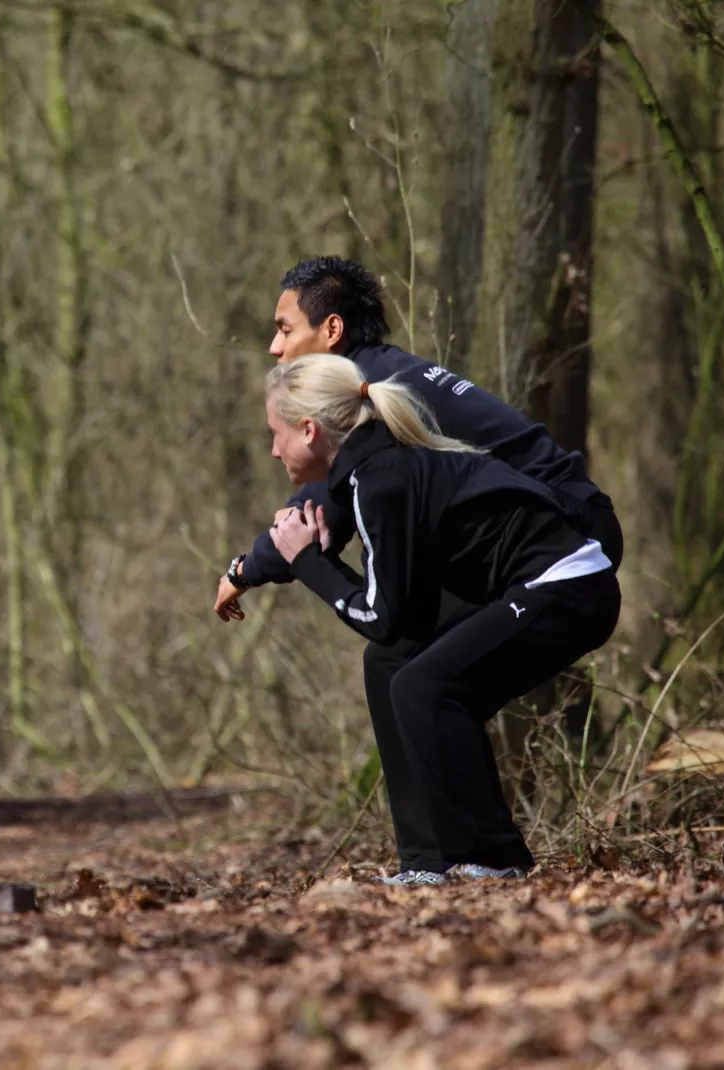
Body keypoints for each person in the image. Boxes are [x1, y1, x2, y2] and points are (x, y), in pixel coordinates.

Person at [215, 256, 622, 881]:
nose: (274, 345)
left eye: (283, 326)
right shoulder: (372, 394)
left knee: (426, 682)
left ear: (330, 332)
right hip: (530, 550)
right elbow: (340, 508)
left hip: (563, 543)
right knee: (396, 661)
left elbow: (320, 512)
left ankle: (487, 859)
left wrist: (251, 566)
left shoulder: (360, 405)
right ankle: (428, 862)